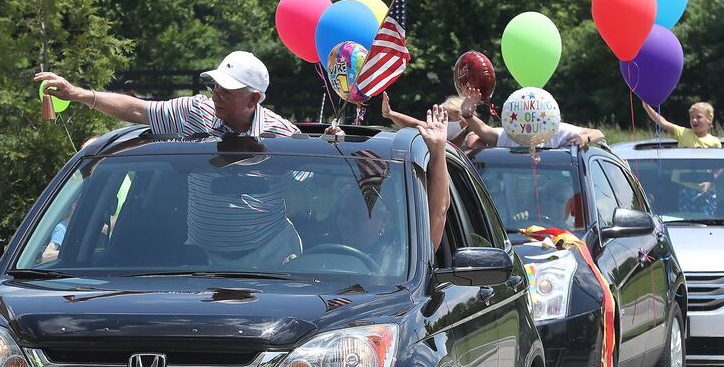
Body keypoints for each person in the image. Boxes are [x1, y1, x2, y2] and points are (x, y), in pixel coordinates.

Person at [34, 52, 450, 260]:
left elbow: (317, 188)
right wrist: (79, 94)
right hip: (198, 257)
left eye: (227, 90)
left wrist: (336, 150)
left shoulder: (281, 135)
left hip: (273, 258)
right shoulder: (193, 112)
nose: (216, 94)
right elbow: (137, 110)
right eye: (215, 85)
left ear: (254, 98)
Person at [460, 87, 605, 148]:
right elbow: (485, 131)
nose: (529, 126)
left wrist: (585, 138)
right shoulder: (513, 133)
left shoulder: (558, 132)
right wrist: (467, 114)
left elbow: (598, 133)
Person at [381, 92, 483, 149]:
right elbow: (416, 124)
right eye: (440, 118)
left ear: (463, 122)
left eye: (448, 119)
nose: (442, 123)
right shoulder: (439, 131)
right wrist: (389, 114)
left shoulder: (472, 141)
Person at [642, 101, 721, 148]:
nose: (694, 120)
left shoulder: (715, 142)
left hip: (704, 176)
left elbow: (719, 167)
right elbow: (663, 122)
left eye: (699, 117)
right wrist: (647, 107)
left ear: (709, 120)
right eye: (692, 117)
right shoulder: (683, 133)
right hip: (681, 176)